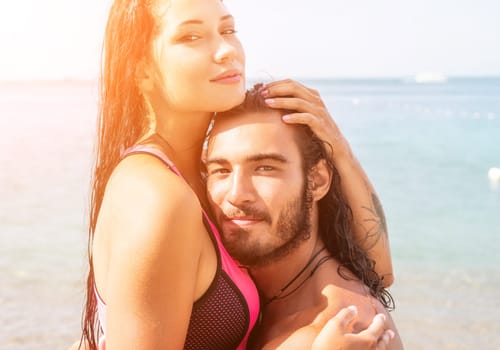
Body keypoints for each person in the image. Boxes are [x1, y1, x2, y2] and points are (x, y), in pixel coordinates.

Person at [79, 0, 394, 348]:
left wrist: (337, 146)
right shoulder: (157, 197)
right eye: (192, 37)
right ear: (141, 70)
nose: (226, 50)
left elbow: (378, 271)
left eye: (228, 30)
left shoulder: (202, 177)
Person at [204, 85, 403, 349]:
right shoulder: (275, 291)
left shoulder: (338, 331)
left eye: (265, 168)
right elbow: (382, 273)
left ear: (318, 180)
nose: (236, 194)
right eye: (221, 170)